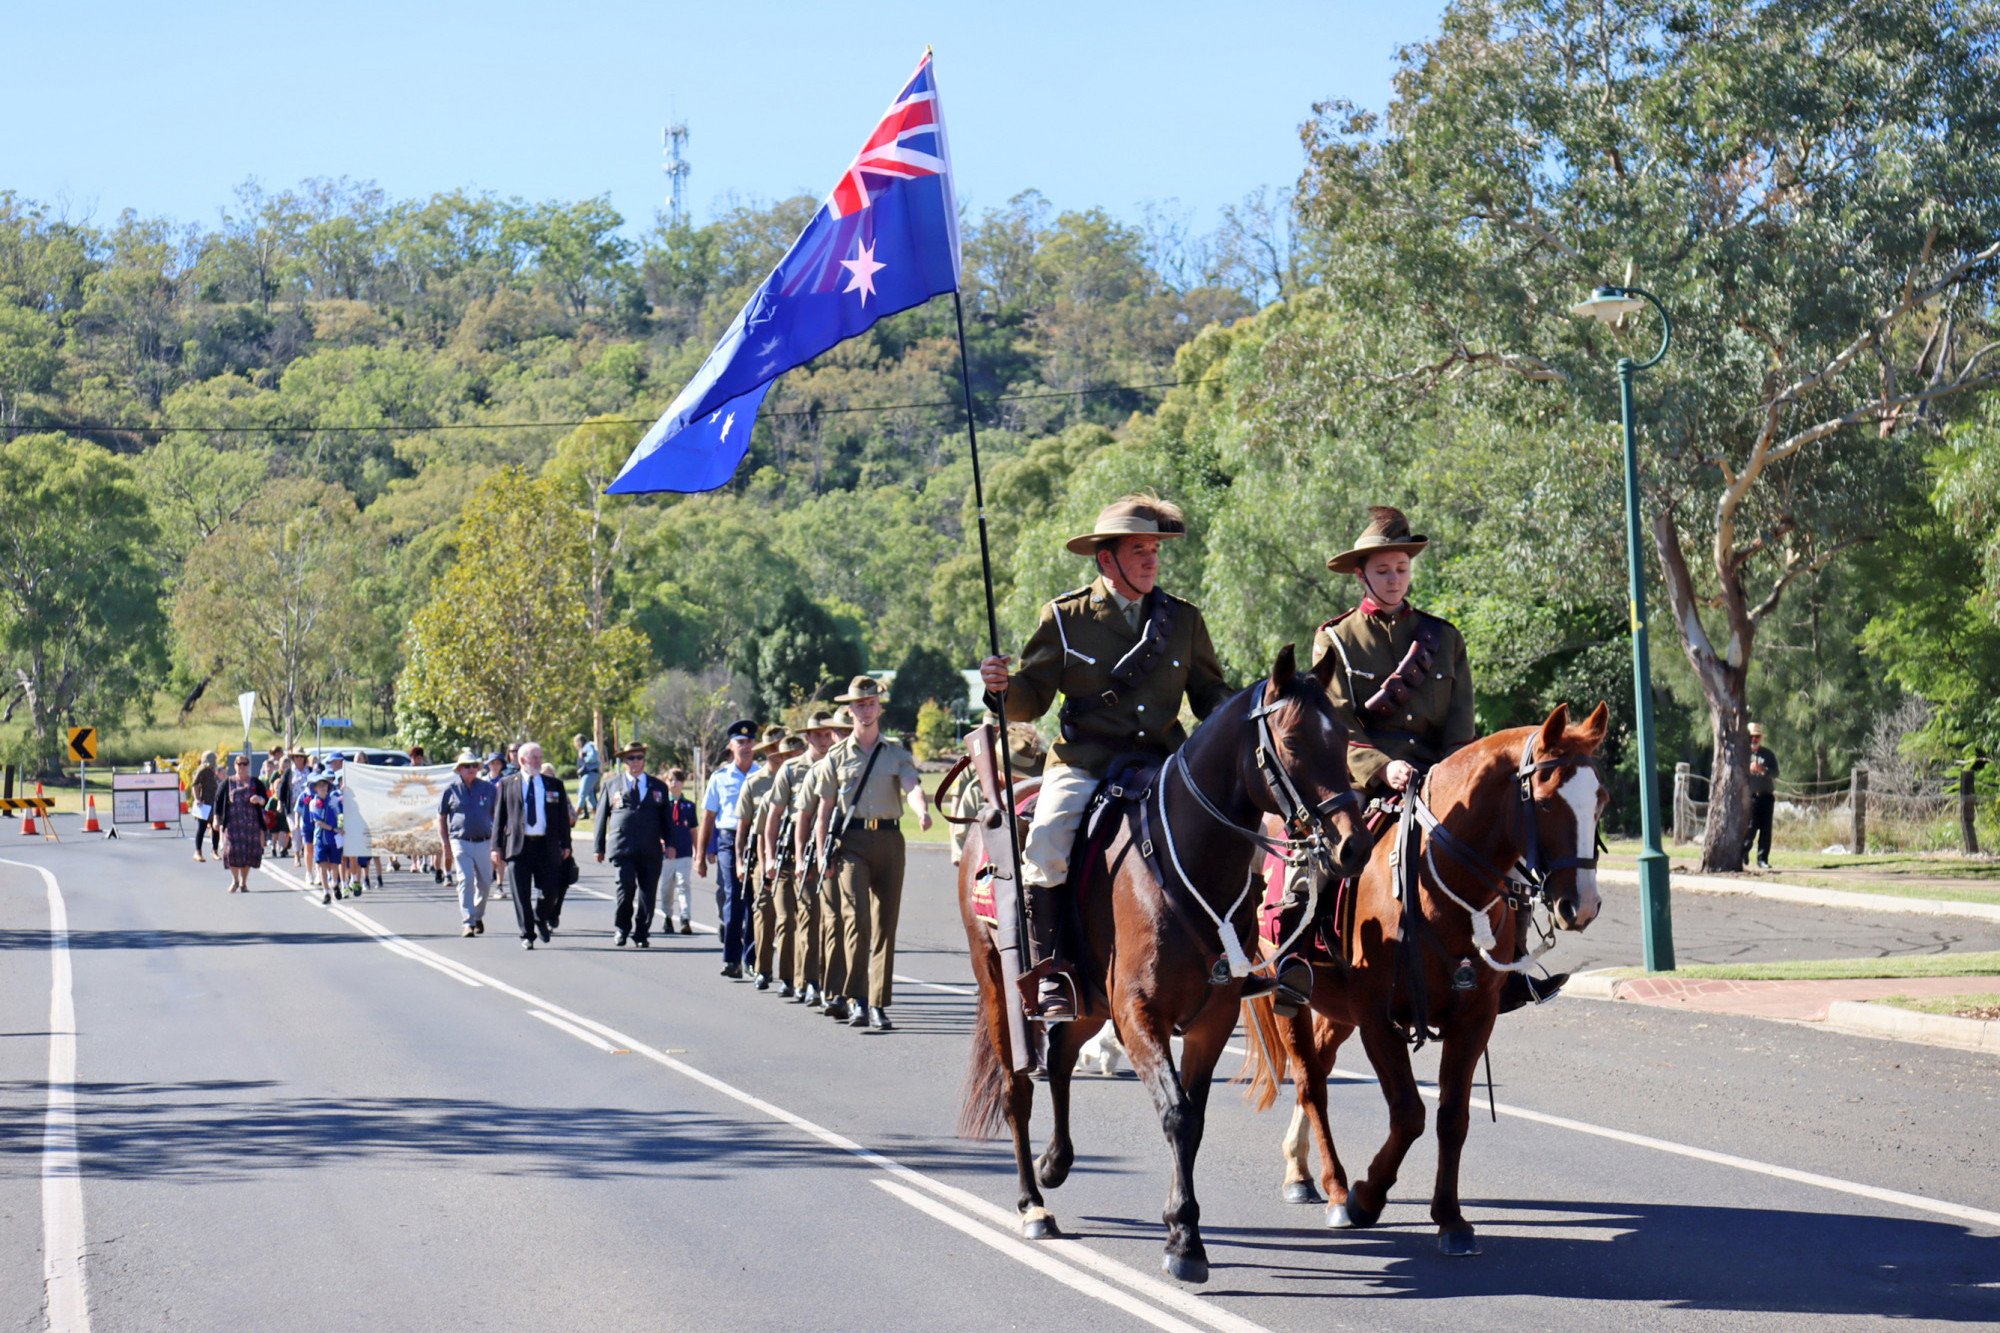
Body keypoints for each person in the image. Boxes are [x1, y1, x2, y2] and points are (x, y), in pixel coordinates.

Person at [977, 494, 1232, 1020]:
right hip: (1087, 761)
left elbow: (1210, 695)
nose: (1151, 560)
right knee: (1047, 839)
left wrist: (1248, 715)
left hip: (1164, 762)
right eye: (1138, 550)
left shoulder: (1181, 619)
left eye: (1155, 551)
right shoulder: (1067, 617)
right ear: (1106, 560)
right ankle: (1051, 972)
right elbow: (1033, 696)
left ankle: (1236, 958)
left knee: (1235, 836)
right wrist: (1002, 688)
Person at [811, 677, 934, 1032]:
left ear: (879, 707)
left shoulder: (895, 752)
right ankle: (858, 1000)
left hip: (891, 843)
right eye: (859, 705)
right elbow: (824, 810)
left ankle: (879, 1003)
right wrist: (822, 853)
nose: (865, 709)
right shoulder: (836, 757)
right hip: (852, 846)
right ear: (850, 710)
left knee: (885, 927)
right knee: (858, 923)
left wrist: (921, 811)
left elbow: (912, 786)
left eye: (871, 703)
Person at [764, 711, 843, 1001]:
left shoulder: (840, 764)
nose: (823, 740)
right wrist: (771, 857)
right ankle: (804, 979)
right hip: (804, 853)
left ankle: (825, 981)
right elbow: (773, 818)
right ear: (807, 737)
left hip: (836, 851)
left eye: (827, 734)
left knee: (830, 921)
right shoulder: (791, 770)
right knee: (806, 918)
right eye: (817, 735)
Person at [795, 709, 853, 1013]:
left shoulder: (863, 764)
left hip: (856, 854)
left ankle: (849, 991)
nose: (841, 737)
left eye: (846, 731)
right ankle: (823, 985)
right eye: (838, 732)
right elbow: (805, 816)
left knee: (851, 924)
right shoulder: (820, 771)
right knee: (828, 922)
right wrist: (809, 855)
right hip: (827, 854)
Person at [492, 741, 573, 949]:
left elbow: (563, 818)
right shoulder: (508, 783)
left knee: (550, 890)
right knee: (521, 893)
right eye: (533, 758)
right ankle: (527, 933)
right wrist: (496, 847)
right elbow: (499, 818)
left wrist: (566, 844)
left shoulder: (554, 785)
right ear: (522, 760)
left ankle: (541, 916)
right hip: (518, 846)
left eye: (540, 757)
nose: (538, 762)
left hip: (546, 845)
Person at [697, 720, 761, 978]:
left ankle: (753, 959)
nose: (745, 747)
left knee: (755, 901)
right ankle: (732, 959)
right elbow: (708, 818)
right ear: (731, 746)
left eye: (749, 742)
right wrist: (700, 855)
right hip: (728, 839)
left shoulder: (763, 774)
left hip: (758, 839)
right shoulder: (720, 778)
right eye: (740, 742)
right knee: (734, 896)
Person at [744, 728, 803, 989]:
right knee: (765, 915)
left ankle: (790, 976)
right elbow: (757, 833)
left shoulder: (805, 785)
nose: (784, 758)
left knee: (789, 920)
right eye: (781, 753)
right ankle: (763, 969)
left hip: (795, 858)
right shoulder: (762, 788)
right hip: (769, 861)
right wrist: (764, 863)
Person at [595, 743, 670, 947]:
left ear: (644, 759)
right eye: (630, 758)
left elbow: (667, 819)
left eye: (639, 757)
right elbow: (601, 817)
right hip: (623, 846)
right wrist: (598, 846)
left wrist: (670, 843)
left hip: (650, 847)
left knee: (648, 894)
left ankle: (642, 932)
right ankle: (622, 927)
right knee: (625, 887)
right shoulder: (611, 785)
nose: (635, 762)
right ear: (624, 761)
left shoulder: (658, 786)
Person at [436, 749, 498, 937]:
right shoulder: (450, 789)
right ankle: (468, 922)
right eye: (467, 766)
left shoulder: (487, 788)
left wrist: (499, 841)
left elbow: (497, 815)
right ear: (459, 769)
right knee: (465, 880)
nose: (471, 769)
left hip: (484, 841)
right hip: (460, 840)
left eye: (474, 766)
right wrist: (445, 844)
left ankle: (477, 915)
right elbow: (441, 817)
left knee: (486, 883)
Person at [214, 753, 268, 892]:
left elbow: (265, 800)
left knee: (248, 853)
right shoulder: (228, 782)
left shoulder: (255, 782)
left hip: (251, 824)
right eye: (239, 764)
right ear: (235, 766)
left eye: (245, 764)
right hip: (232, 824)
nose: (242, 767)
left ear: (249, 766)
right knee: (231, 851)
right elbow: (218, 801)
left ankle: (244, 882)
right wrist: (216, 819)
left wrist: (259, 800)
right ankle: (235, 880)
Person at [660, 767, 697, 934]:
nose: (674, 783)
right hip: (665, 854)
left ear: (683, 783)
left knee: (684, 885)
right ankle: (667, 917)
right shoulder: (661, 805)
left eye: (678, 780)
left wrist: (697, 851)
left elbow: (693, 830)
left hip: (684, 852)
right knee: (666, 887)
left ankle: (685, 917)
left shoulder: (689, 806)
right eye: (671, 780)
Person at [1744, 722, 1779, 870]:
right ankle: (1742, 853)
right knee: (1750, 828)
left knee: (1765, 830)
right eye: (1752, 736)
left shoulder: (1768, 754)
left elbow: (1776, 772)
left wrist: (1763, 769)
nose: (1755, 739)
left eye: (1757, 736)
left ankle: (1762, 859)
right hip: (1750, 797)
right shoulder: (1743, 754)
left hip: (1766, 796)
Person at [309, 772, 344, 902]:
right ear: (315, 788)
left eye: (324, 785)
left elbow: (340, 814)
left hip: (334, 838)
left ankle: (335, 884)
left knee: (334, 865)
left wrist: (340, 827)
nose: (323, 788)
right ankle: (326, 892)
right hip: (321, 838)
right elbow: (318, 822)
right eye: (320, 786)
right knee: (323, 865)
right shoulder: (313, 803)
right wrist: (333, 828)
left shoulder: (334, 800)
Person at [191, 751, 222, 863]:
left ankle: (215, 851)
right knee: (202, 828)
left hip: (214, 801)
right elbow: (195, 784)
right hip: (205, 802)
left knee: (216, 827)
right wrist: (197, 798)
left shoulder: (214, 769)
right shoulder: (203, 769)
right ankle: (198, 851)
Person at [574, 733, 603, 819]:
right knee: (590, 797)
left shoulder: (588, 746)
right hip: (588, 774)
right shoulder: (584, 748)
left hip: (590, 774)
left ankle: (574, 816)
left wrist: (584, 757)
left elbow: (593, 757)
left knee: (582, 794)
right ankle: (600, 816)